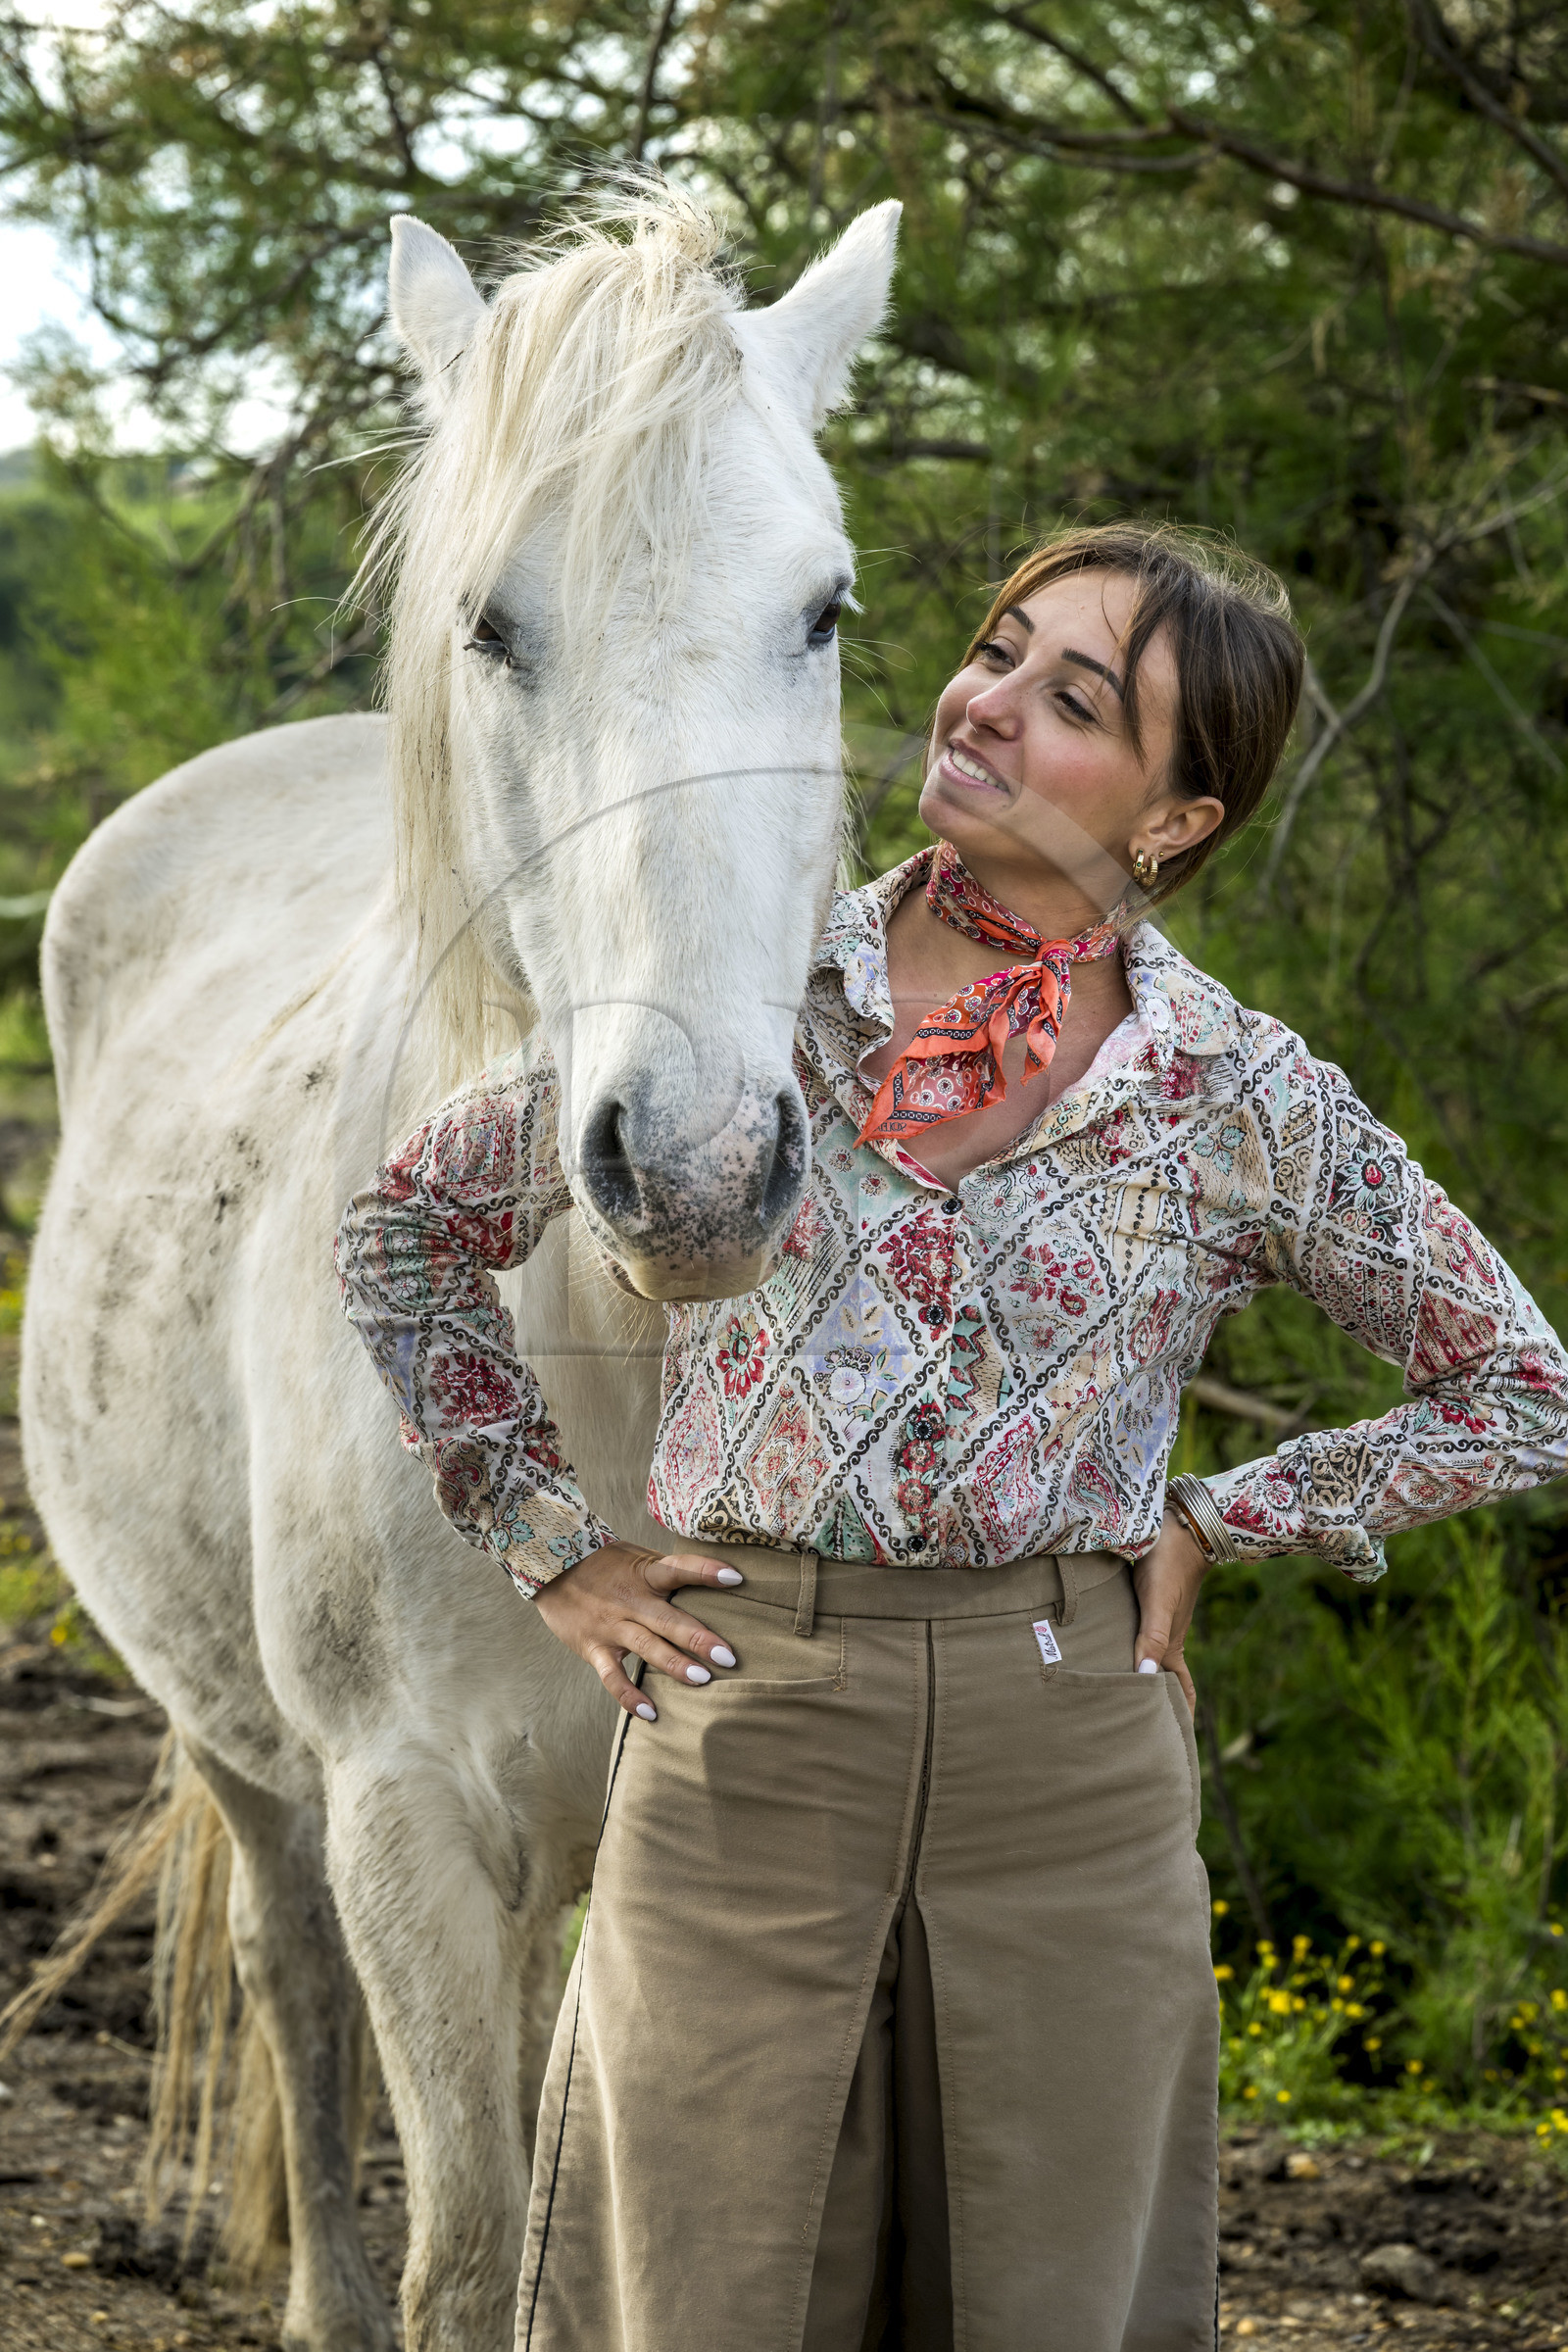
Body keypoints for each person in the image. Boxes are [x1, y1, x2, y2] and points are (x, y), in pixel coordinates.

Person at [335, 520, 1568, 2351]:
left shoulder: (1239, 1093)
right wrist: (551, 1545)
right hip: (743, 1733)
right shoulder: (733, 1008)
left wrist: (1226, 1516)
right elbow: (403, 1233)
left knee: (1044, 2299)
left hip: (1067, 1761)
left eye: (1073, 697)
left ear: (1175, 820)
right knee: (700, 2293)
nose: (985, 698)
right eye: (998, 647)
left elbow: (1522, 1386)